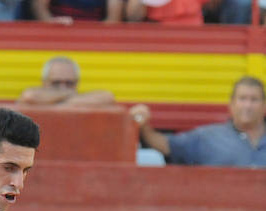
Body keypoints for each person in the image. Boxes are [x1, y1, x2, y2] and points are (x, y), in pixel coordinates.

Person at [129, 75, 266, 166]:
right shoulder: (209, 138)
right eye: (242, 99)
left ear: (264, 105)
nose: (248, 105)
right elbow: (167, 146)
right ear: (231, 105)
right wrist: (143, 126)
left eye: (254, 100)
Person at [17, 55, 116, 105]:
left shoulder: (40, 101)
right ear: (44, 82)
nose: (63, 88)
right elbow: (29, 96)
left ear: (77, 83)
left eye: (69, 83)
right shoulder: (32, 96)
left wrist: (54, 101)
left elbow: (108, 97)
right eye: (56, 83)